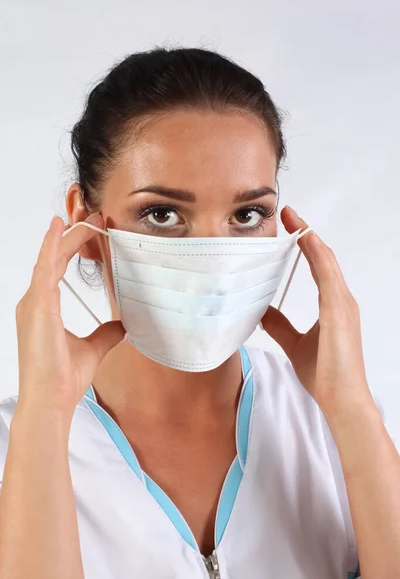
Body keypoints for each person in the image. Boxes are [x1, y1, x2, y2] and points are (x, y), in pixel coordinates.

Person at [0, 47, 399, 579]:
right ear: (85, 224)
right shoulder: (15, 444)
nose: (213, 257)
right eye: (162, 214)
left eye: (247, 214)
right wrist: (46, 416)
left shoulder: (327, 423)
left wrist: (351, 408)